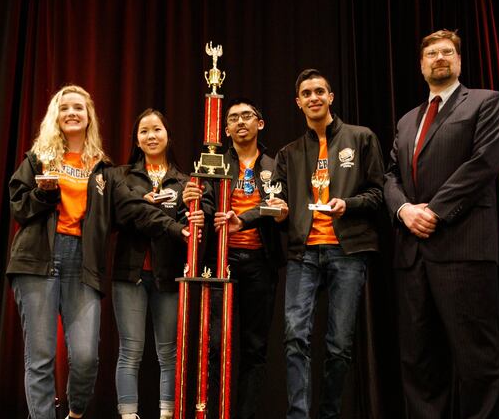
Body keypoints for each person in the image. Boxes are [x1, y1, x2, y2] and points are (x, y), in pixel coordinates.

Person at [7, 85, 194, 419]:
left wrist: (176, 228)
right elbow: (18, 206)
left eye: (79, 107)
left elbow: (134, 208)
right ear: (56, 115)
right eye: (65, 108)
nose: (72, 113)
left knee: (85, 357)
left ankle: (75, 413)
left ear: (89, 116)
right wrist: (44, 195)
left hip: (84, 261)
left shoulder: (104, 168)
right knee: (41, 357)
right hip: (36, 260)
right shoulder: (39, 157)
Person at [383, 29, 499, 418]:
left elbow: (483, 164)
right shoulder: (407, 121)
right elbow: (389, 177)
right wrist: (404, 210)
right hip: (413, 255)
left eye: (447, 52)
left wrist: (433, 211)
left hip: (463, 248)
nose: (439, 57)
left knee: (477, 361)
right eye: (432, 53)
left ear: (458, 60)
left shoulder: (486, 103)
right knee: (419, 362)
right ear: (421, 66)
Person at [272, 69, 384, 419]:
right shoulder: (288, 153)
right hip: (303, 252)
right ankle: (299, 416)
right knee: (295, 338)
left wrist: (347, 204)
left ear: (331, 97)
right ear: (298, 102)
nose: (314, 98)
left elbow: (379, 194)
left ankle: (330, 414)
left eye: (320, 91)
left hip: (347, 250)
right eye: (306, 93)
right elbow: (278, 202)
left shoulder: (361, 137)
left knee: (338, 346)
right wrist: (277, 211)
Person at [110, 109, 212, 419]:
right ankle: (129, 416)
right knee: (130, 352)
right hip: (130, 273)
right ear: (136, 140)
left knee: (170, 353)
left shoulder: (185, 181)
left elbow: (193, 225)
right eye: (144, 131)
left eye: (157, 129)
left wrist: (196, 213)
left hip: (169, 274)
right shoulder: (121, 176)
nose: (151, 136)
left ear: (168, 135)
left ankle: (168, 414)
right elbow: (125, 216)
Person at [204, 98, 287, 419]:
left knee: (254, 350)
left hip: (259, 263)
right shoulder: (215, 163)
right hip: (219, 262)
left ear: (260, 123)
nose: (240, 122)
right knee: (214, 347)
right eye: (233, 118)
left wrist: (246, 217)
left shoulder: (273, 164)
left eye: (247, 116)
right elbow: (207, 204)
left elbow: (279, 207)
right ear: (225, 129)